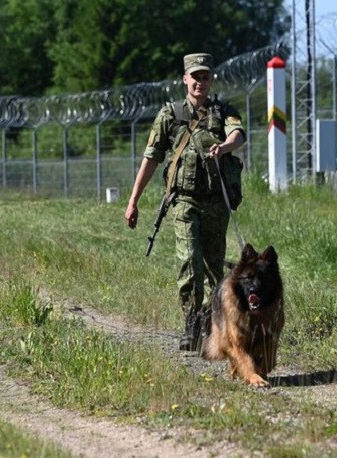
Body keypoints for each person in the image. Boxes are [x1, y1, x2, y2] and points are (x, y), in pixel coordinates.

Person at [125, 53, 246, 352]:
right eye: (195, 77)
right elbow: (151, 159)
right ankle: (192, 322)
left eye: (205, 77)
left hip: (217, 202)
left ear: (211, 79)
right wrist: (133, 201)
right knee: (189, 260)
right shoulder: (170, 115)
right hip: (184, 201)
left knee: (214, 268)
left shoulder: (223, 112)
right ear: (185, 79)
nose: (199, 83)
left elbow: (238, 135)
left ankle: (211, 322)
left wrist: (225, 146)